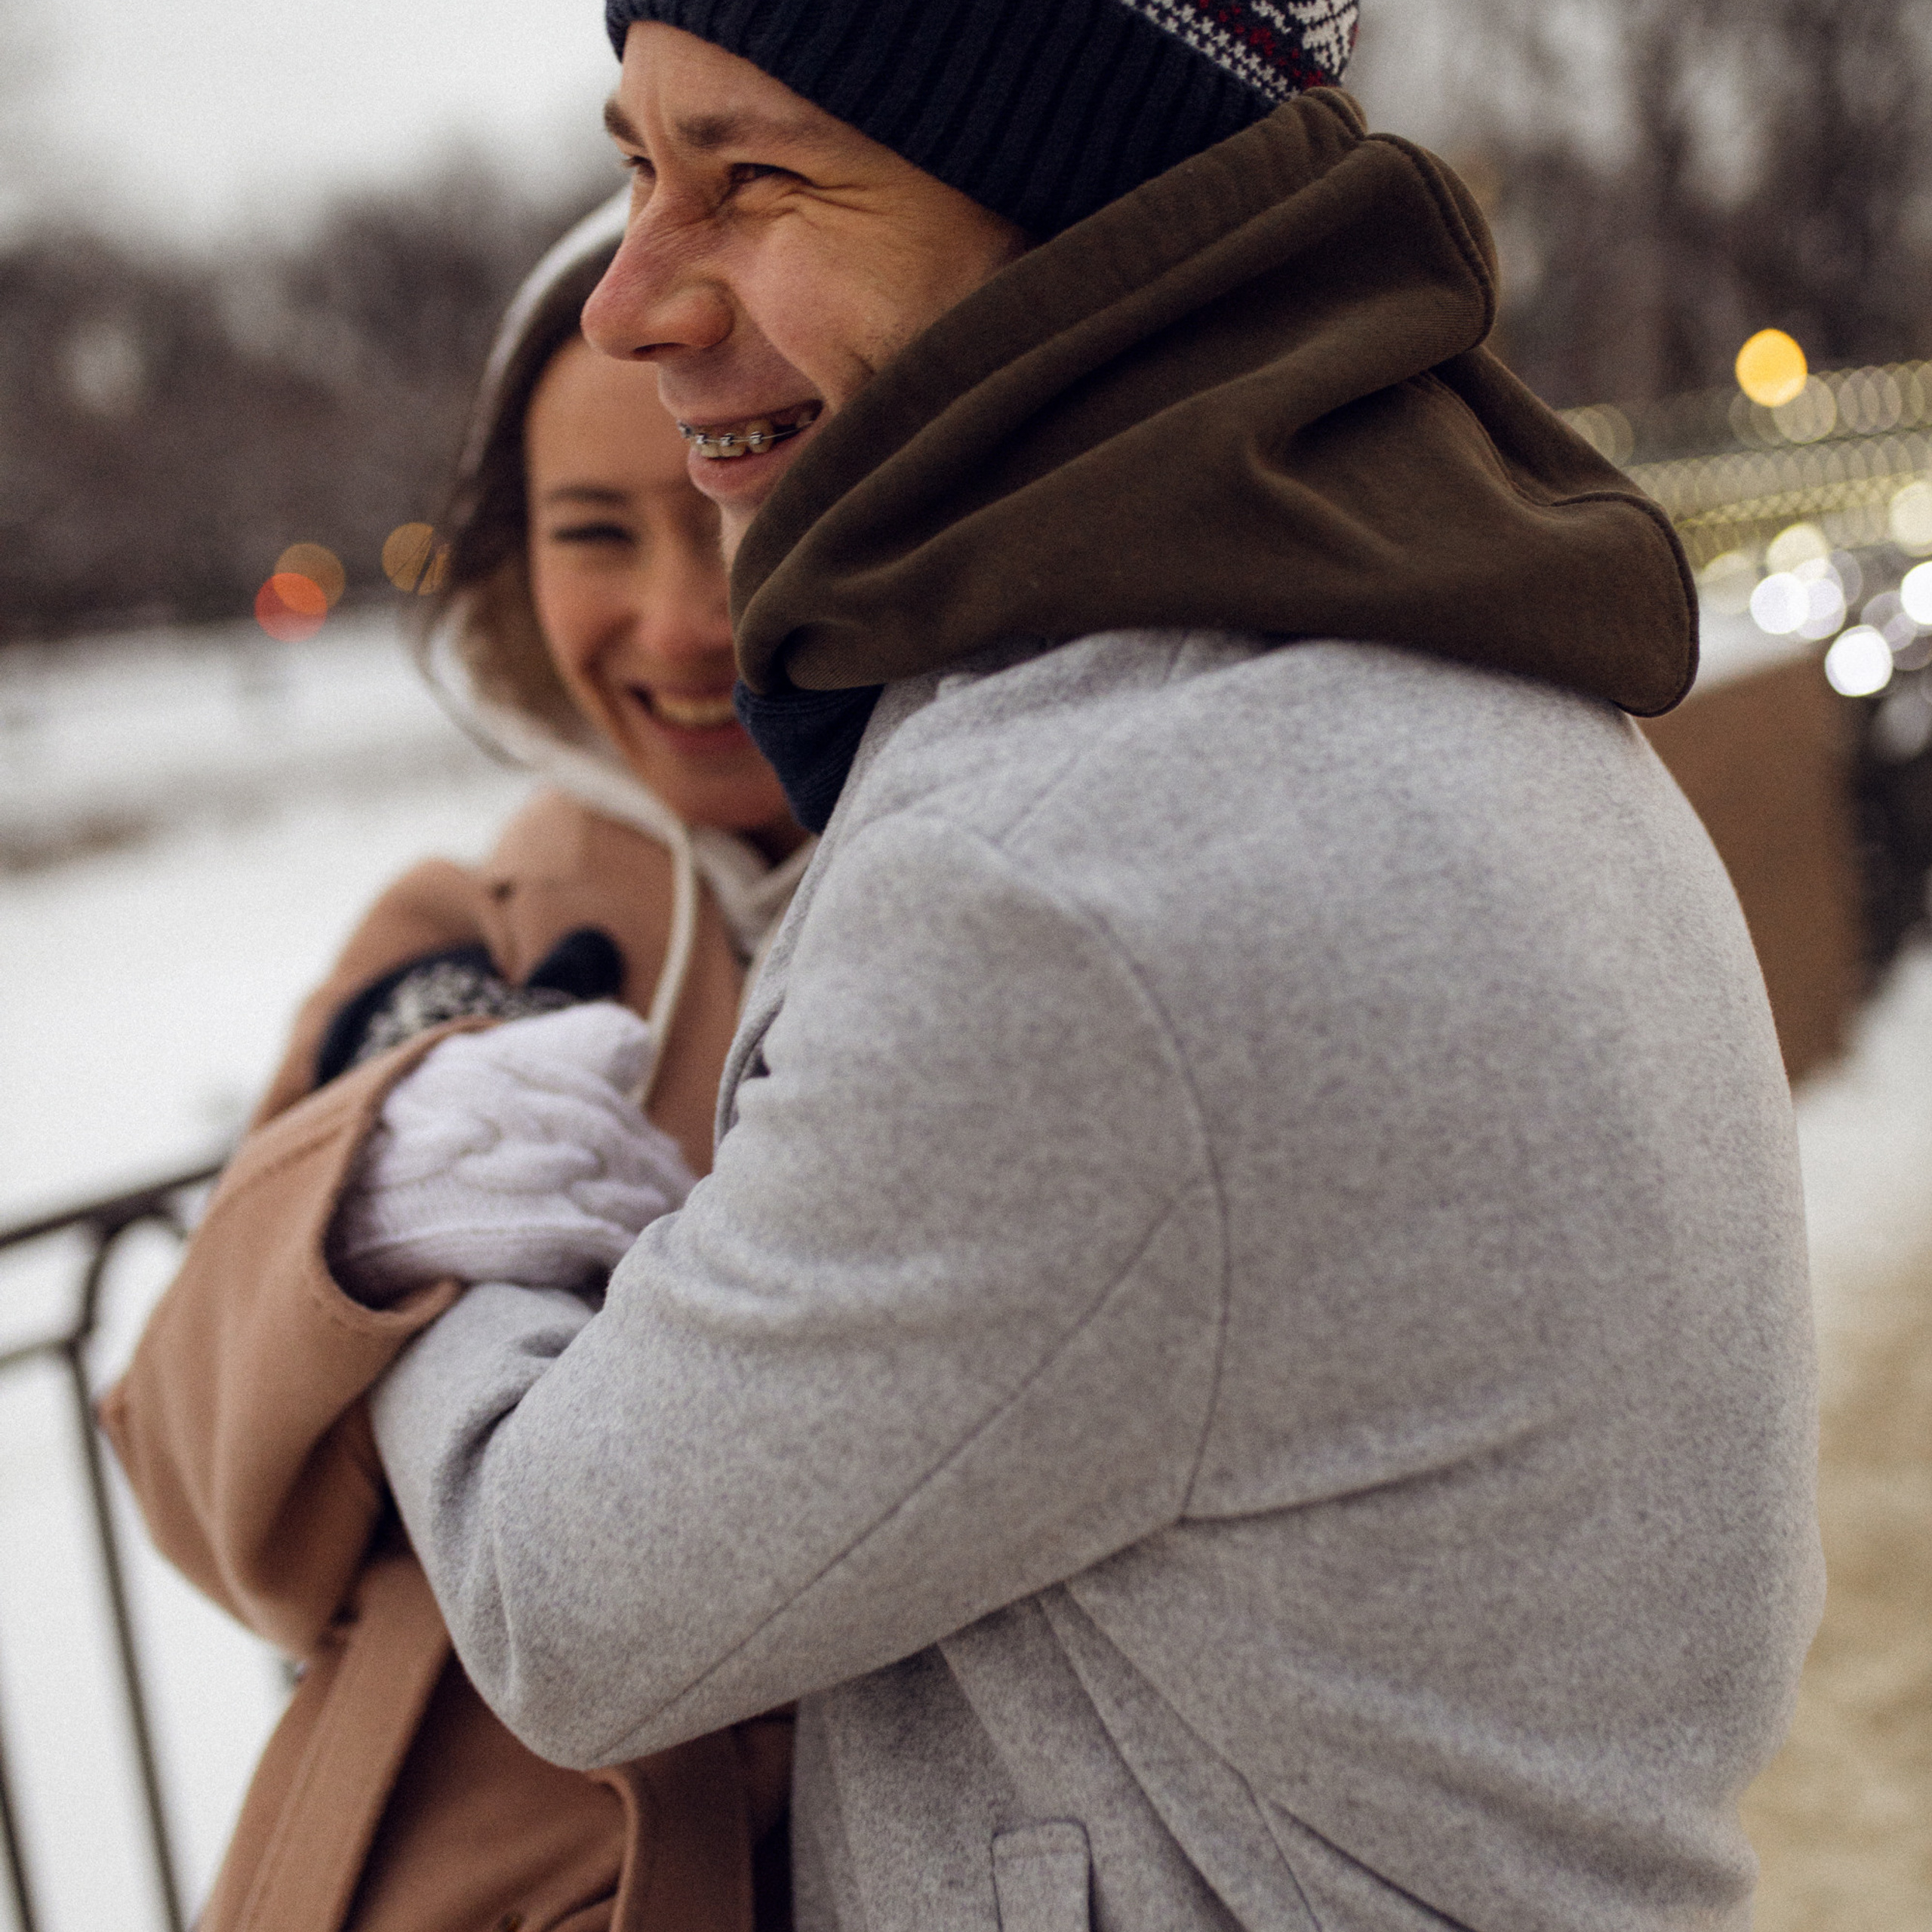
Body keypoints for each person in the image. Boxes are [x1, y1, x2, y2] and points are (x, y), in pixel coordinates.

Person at [261, 8, 1823, 1930]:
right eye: (636, 168)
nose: (630, 300)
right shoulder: (1441, 644)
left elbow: (563, 1599)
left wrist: (440, 1206)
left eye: (753, 178)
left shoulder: (1070, 870)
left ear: (1076, 200)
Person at [103, 197, 809, 1932]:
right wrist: (355, 1220)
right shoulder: (463, 924)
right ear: (509, 571)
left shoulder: (1003, 887)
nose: (680, 620)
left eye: (732, 500)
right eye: (593, 532)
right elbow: (193, 1488)